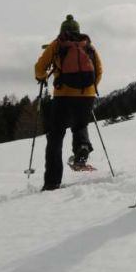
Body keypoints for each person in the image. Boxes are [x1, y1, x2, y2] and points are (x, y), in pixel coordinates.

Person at [34, 15, 103, 190]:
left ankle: (52, 181)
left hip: (63, 95)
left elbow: (39, 68)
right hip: (86, 96)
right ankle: (81, 149)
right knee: (80, 126)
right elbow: (99, 71)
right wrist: (88, 88)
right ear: (78, 31)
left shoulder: (57, 45)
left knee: (56, 136)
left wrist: (42, 77)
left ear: (62, 30)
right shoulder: (88, 46)